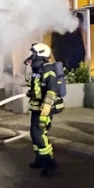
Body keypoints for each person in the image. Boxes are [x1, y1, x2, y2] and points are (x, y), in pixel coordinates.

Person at [25, 42, 64, 176]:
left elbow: (52, 90)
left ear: (41, 54)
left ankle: (50, 163)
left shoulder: (48, 70)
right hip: (36, 108)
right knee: (34, 134)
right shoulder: (37, 71)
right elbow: (38, 88)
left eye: (34, 53)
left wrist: (46, 106)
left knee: (40, 135)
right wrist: (32, 93)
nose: (31, 56)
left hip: (44, 109)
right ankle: (40, 159)